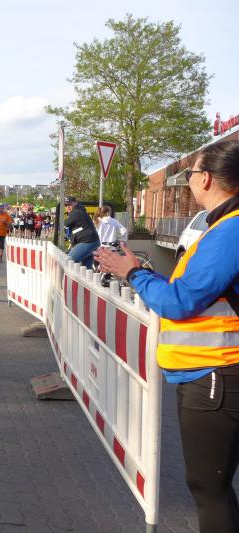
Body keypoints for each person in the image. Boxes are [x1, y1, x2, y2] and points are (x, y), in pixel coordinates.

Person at [95, 140, 239, 533]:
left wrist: (132, 274)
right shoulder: (222, 226)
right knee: (214, 487)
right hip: (211, 373)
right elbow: (192, 291)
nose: (189, 180)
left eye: (191, 174)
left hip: (216, 374)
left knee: (209, 488)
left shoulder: (230, 230)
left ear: (206, 179)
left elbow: (179, 303)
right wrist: (141, 271)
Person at [63, 196, 99, 268]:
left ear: (75, 203)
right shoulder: (80, 211)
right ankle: (90, 275)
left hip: (87, 242)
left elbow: (65, 224)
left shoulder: (76, 212)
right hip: (93, 242)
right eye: (66, 205)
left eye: (70, 204)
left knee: (68, 262)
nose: (68, 207)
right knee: (87, 268)